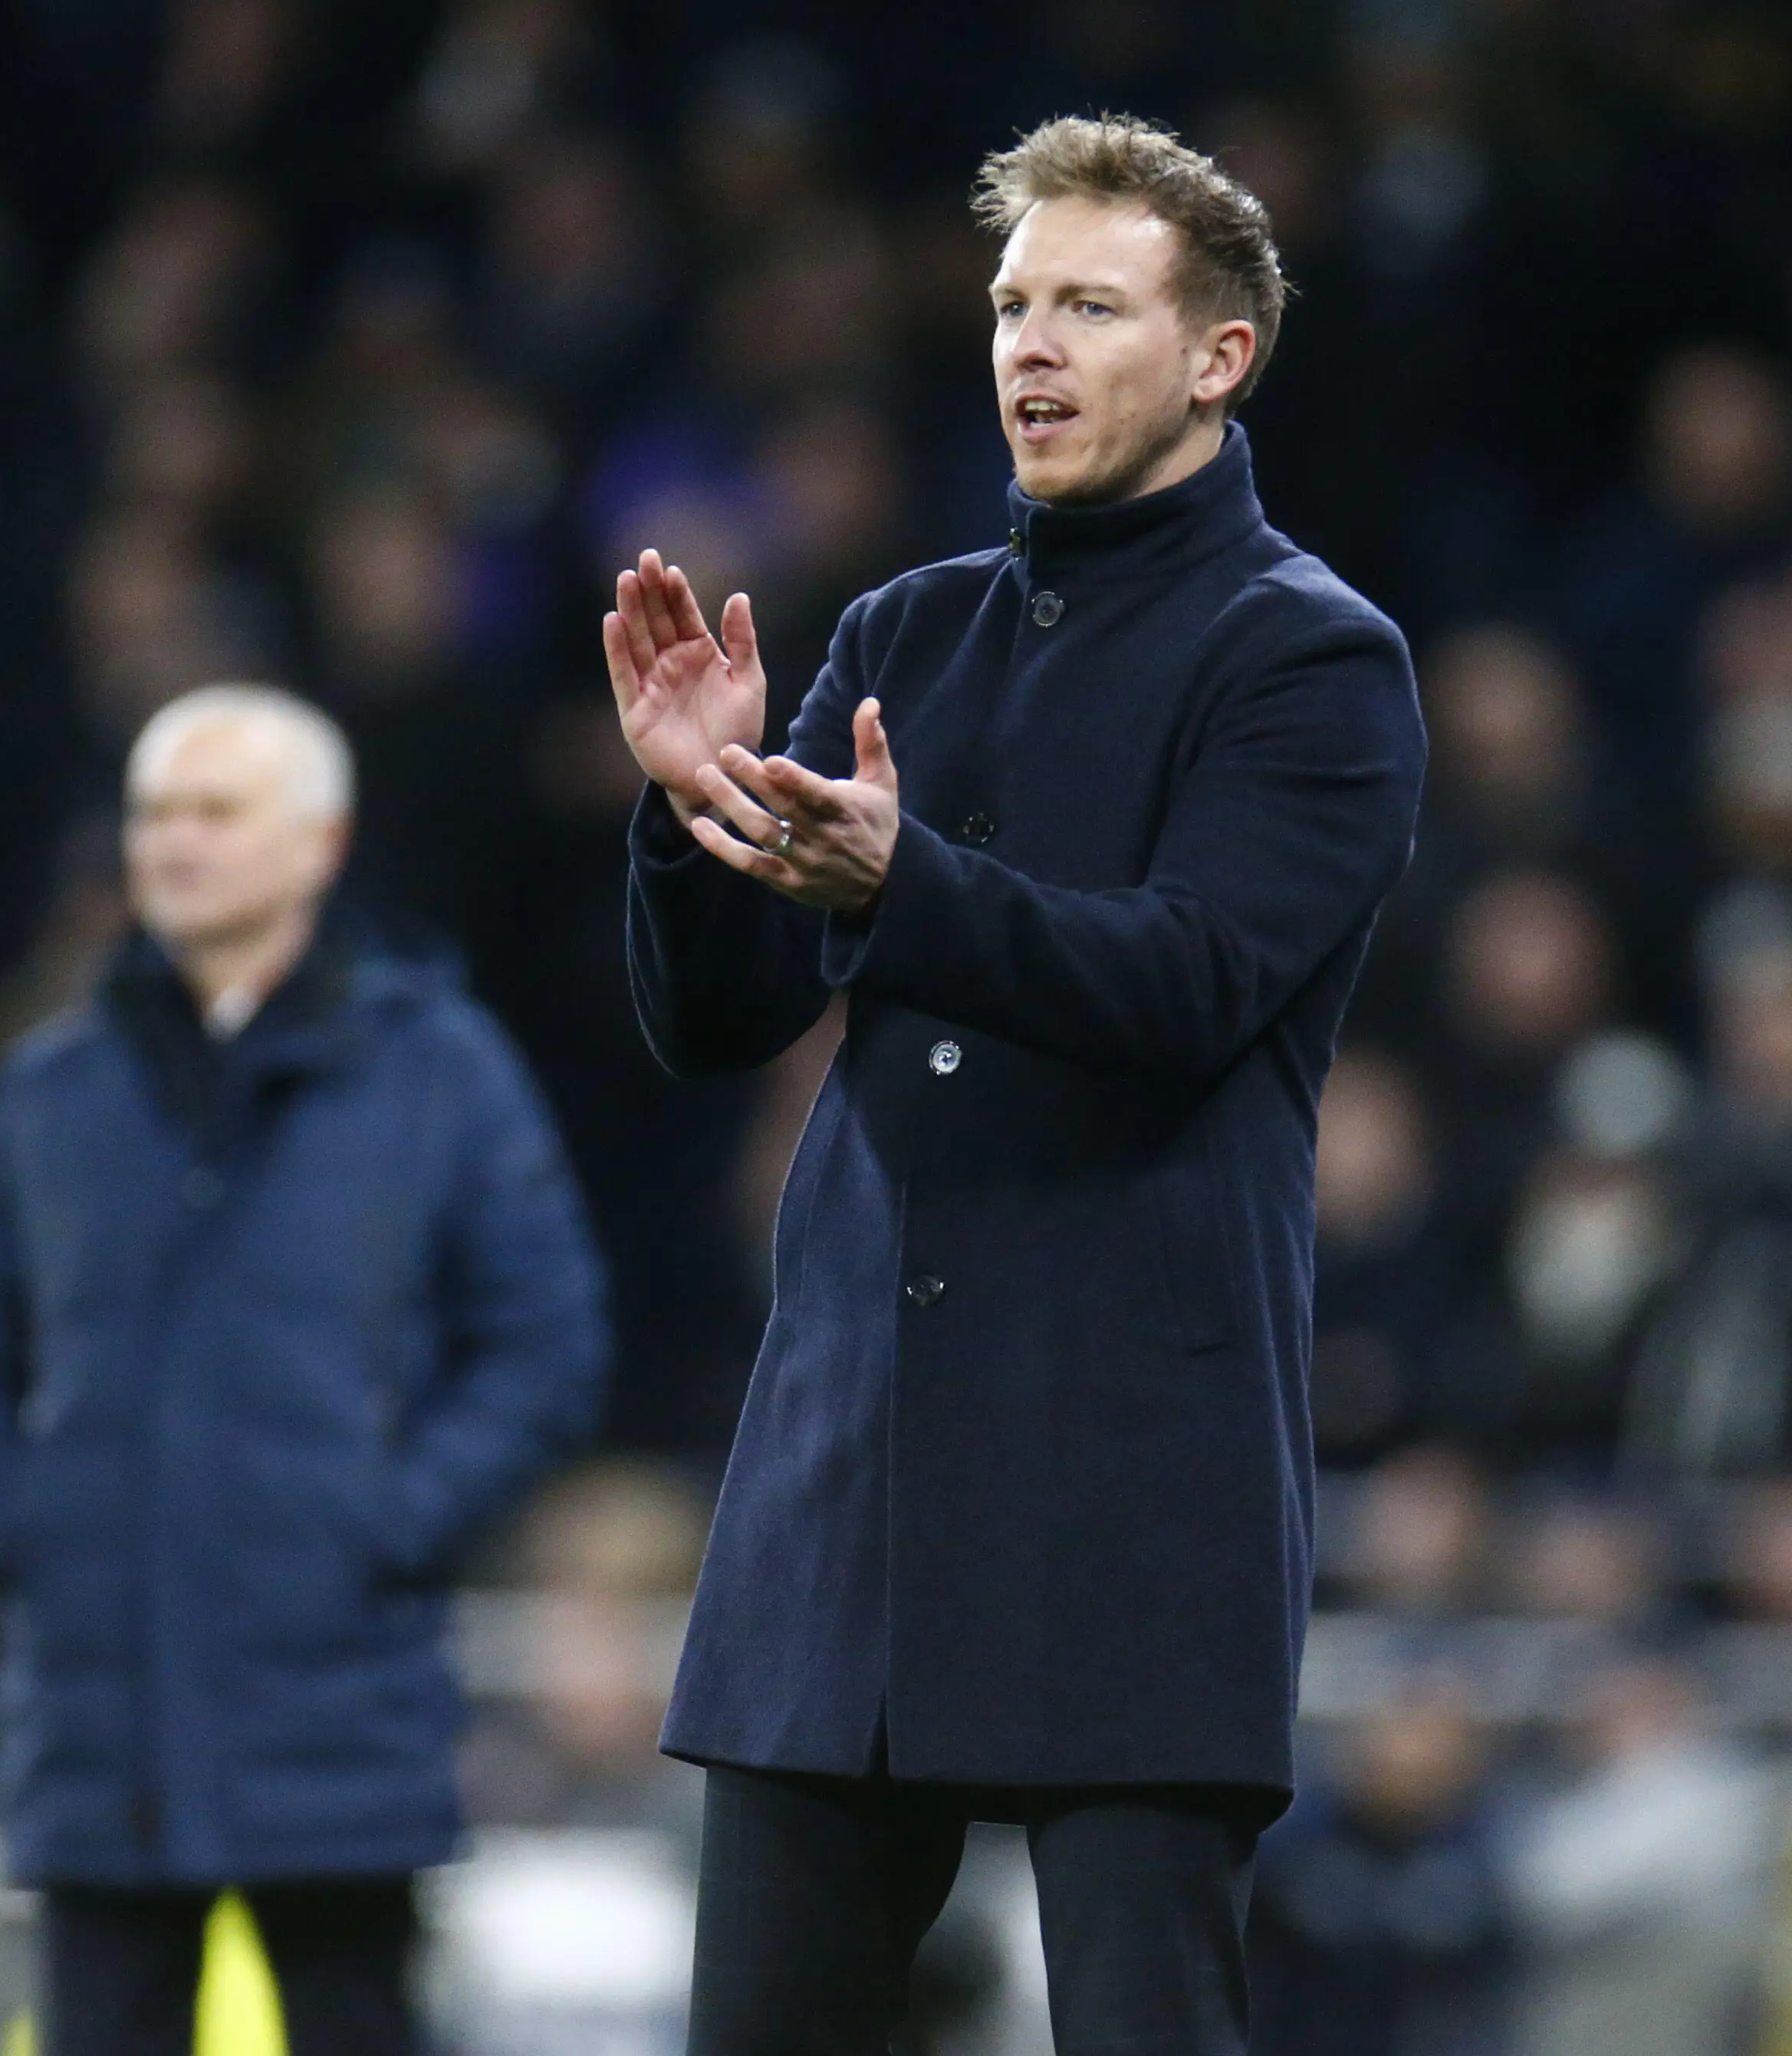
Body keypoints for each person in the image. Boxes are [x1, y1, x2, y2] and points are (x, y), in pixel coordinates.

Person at [607, 116, 1427, 2051]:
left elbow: (1188, 979)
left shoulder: (1312, 658)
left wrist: (908, 882)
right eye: (1006, 304)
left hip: (1128, 1471)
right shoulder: (907, 627)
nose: (1026, 346)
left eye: (1086, 303)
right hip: (852, 1467)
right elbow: (714, 1018)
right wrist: (690, 806)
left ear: (1219, 357)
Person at [0, 683, 608, 2056]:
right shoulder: (50, 1088)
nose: (174, 843)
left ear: (319, 844)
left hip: (341, 1705)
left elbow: (546, 1340)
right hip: (97, 1718)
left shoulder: (437, 1073)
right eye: (155, 813)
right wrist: (19, 1525)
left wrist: (386, 1519)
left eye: (216, 811)